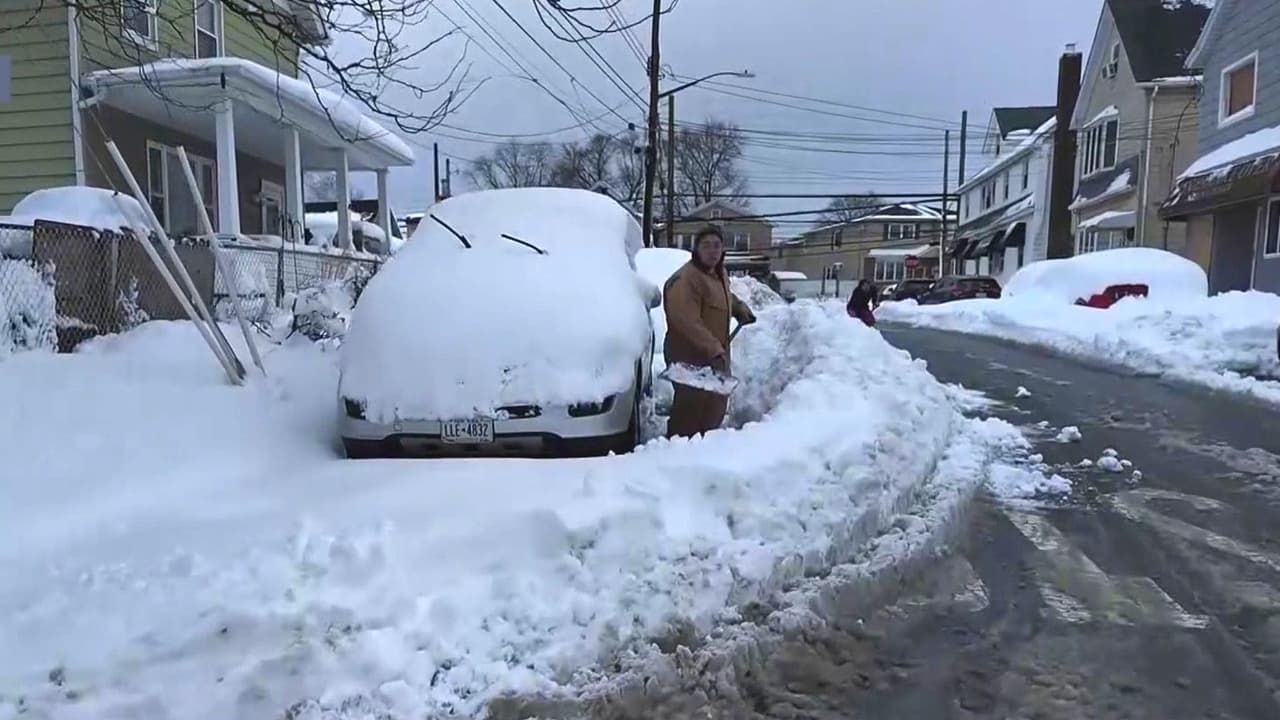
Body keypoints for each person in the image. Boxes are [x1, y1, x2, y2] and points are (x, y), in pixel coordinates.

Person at [663, 226, 757, 439]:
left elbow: (722, 297)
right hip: (688, 357)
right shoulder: (686, 279)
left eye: (717, 245)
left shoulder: (718, 273)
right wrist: (714, 349)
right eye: (706, 246)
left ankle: (705, 452)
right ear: (695, 249)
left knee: (714, 407)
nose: (712, 251)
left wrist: (739, 308)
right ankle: (675, 456)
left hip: (713, 356)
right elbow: (686, 321)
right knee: (690, 412)